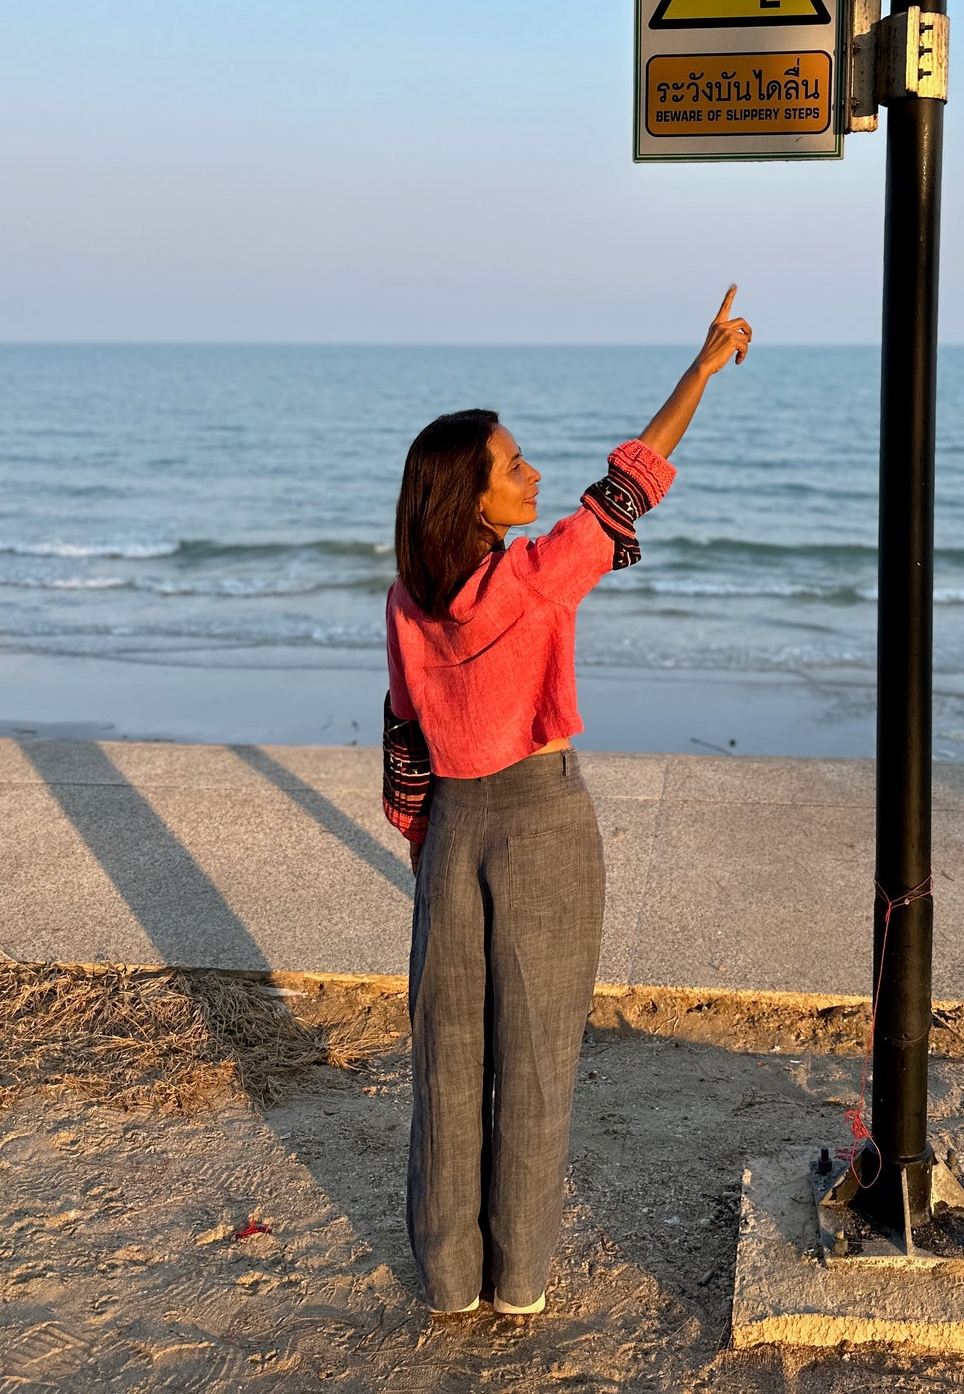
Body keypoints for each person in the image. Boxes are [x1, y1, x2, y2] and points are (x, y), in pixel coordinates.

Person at [382, 286, 753, 1318]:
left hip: (452, 828)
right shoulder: (535, 579)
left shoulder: (408, 598)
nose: (531, 474)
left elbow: (402, 729)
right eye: (512, 465)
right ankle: (518, 1283)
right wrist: (704, 365)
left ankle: (450, 1281)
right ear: (471, 496)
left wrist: (423, 836)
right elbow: (633, 478)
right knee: (536, 1060)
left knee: (445, 1056)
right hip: (540, 824)